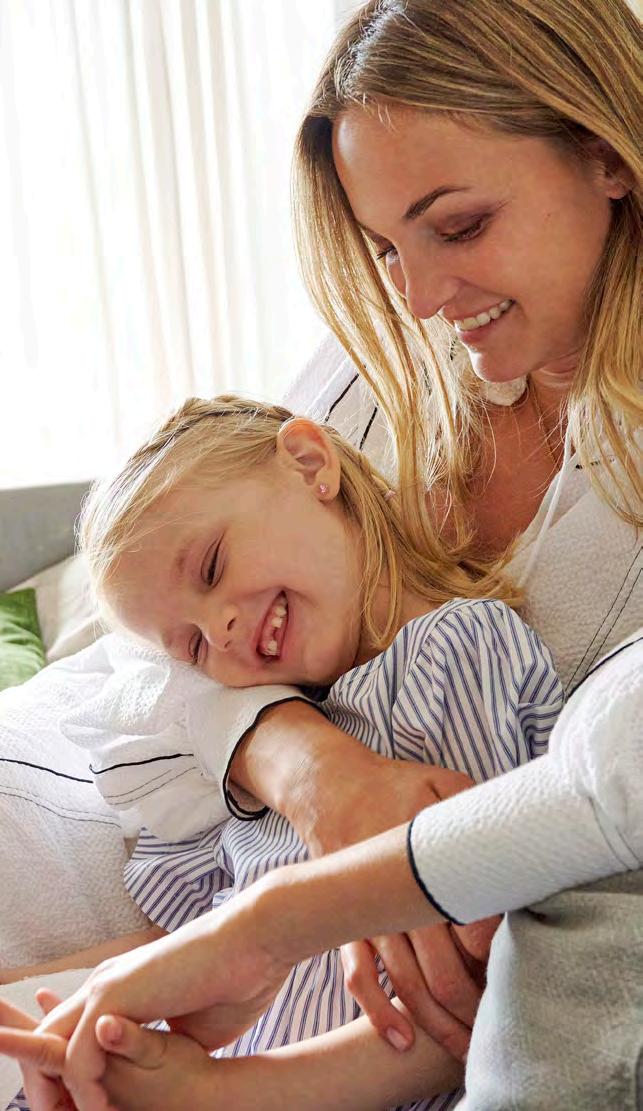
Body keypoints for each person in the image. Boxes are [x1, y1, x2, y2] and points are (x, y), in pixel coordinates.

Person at [1, 0, 641, 1103]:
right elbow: (143, 638)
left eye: (458, 225)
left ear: (607, 155)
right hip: (172, 813)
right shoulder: (383, 363)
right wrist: (307, 765)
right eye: (385, 246)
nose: (419, 299)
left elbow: (578, 859)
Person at [1, 391, 566, 1111]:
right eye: (193, 646)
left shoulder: (454, 654)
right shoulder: (259, 771)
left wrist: (220, 1093)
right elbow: (183, 946)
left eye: (211, 567)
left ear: (309, 464)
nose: (220, 629)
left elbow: (478, 986)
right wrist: (53, 1018)